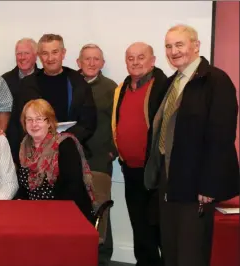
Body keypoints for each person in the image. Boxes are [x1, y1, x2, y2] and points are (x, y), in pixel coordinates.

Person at [144, 24, 239, 266]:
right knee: (171, 251)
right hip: (169, 181)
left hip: (196, 184)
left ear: (195, 46)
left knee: (191, 254)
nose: (173, 51)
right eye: (168, 46)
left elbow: (221, 137)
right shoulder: (172, 83)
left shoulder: (216, 81)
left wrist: (209, 185)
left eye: (179, 44)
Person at [112, 42, 168, 266]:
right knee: (139, 226)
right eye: (130, 58)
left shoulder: (163, 87)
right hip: (131, 170)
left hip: (157, 171)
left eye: (141, 57)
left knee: (160, 226)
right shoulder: (122, 88)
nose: (135, 62)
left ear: (153, 60)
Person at [9, 33, 97, 163]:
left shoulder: (78, 82)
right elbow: (18, 123)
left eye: (55, 52)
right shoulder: (27, 85)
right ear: (39, 56)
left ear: (63, 53)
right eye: (45, 53)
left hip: (70, 153)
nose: (50, 58)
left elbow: (88, 122)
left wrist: (61, 142)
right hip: (35, 156)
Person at [15, 99, 94, 223]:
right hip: (32, 213)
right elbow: (24, 188)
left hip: (65, 214)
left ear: (49, 122)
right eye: (29, 120)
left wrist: (45, 213)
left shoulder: (64, 145)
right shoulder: (24, 147)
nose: (34, 124)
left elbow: (72, 189)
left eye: (39, 119)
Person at [77, 43, 117, 266]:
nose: (91, 63)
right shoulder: (71, 83)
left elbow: (120, 123)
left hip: (100, 159)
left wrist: (113, 150)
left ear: (102, 63)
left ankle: (102, 258)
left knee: (101, 208)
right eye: (87, 59)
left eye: (96, 59)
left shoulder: (112, 88)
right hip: (74, 157)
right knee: (75, 208)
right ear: (78, 62)